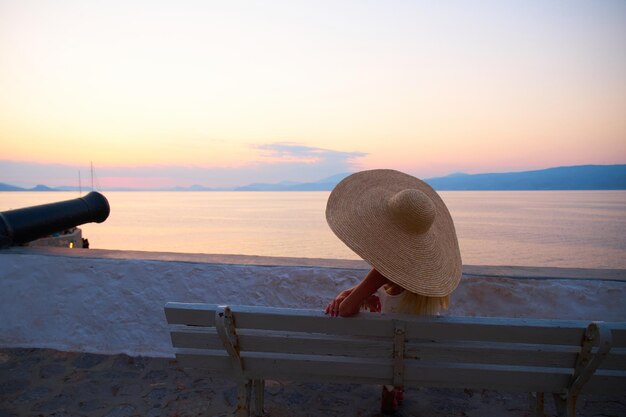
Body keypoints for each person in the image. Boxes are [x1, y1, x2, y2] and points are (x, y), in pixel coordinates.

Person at [324, 169, 462, 414]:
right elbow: (371, 291)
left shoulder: (384, 271)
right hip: (421, 358)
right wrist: (354, 291)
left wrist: (343, 297)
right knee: (401, 345)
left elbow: (346, 310)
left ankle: (389, 395)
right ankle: (398, 386)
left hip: (386, 358)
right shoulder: (427, 278)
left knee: (389, 349)